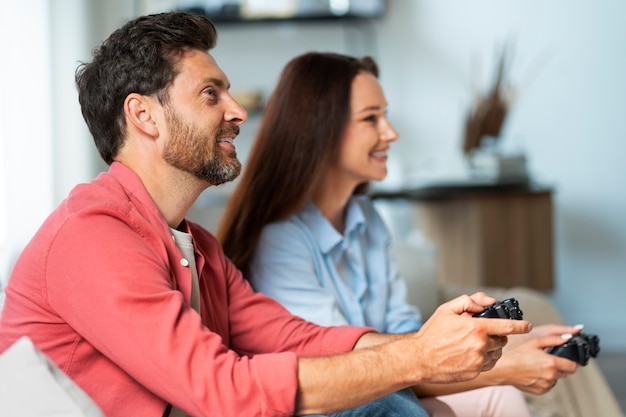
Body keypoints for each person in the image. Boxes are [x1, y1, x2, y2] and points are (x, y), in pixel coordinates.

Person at [0, 12, 531, 417]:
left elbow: (297, 338)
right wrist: (417, 360)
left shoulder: (197, 245)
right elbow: (221, 388)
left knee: (390, 402)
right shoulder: (92, 236)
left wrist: (427, 345)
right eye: (211, 93)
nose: (239, 111)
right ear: (144, 116)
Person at [217, 52, 581, 417]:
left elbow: (404, 332)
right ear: (319, 128)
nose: (390, 133)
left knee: (528, 362)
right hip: (340, 397)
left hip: (385, 380)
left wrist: (503, 346)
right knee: (501, 391)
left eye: (385, 115)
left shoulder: (368, 219)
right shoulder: (281, 240)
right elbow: (346, 367)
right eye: (370, 118)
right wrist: (506, 368)